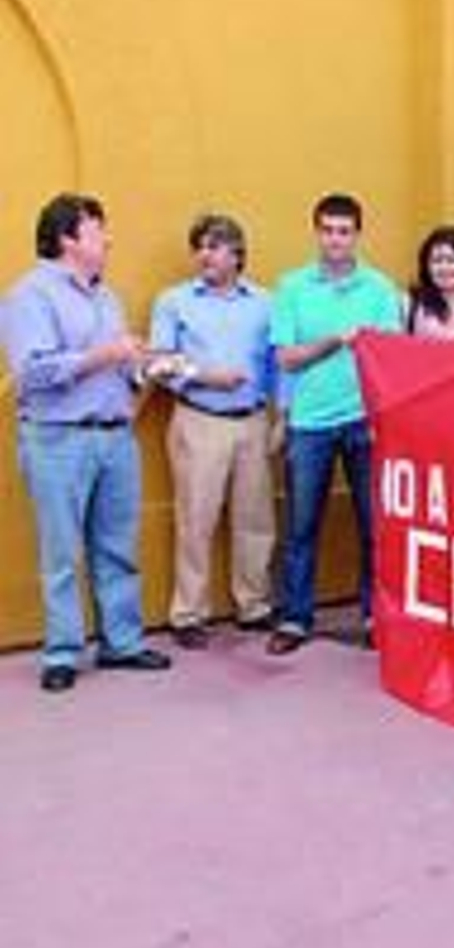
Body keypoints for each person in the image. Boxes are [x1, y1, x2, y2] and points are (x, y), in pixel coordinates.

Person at [2, 193, 173, 691]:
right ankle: (61, 653)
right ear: (67, 240)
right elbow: (32, 373)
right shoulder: (28, 296)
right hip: (58, 440)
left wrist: (143, 368)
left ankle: (122, 643)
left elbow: (112, 366)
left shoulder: (107, 297)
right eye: (99, 231)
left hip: (114, 436)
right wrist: (105, 353)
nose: (109, 239)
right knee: (61, 553)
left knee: (117, 547)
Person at [267, 192, 403, 655]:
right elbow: (286, 358)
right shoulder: (291, 287)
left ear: (357, 235)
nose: (335, 240)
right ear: (316, 232)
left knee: (372, 525)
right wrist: (334, 342)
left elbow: (390, 356)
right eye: (327, 230)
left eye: (344, 231)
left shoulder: (380, 289)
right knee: (302, 526)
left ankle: (373, 615)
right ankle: (295, 618)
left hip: (365, 420)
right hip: (309, 423)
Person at [148, 213, 277, 648]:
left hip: (254, 421)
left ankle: (254, 605)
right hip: (199, 418)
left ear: (237, 254)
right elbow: (159, 362)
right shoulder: (174, 301)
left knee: (255, 519)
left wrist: (281, 416)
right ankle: (188, 613)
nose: (204, 254)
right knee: (195, 519)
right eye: (199, 246)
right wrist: (205, 376)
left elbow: (277, 363)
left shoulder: (266, 302)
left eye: (214, 246)